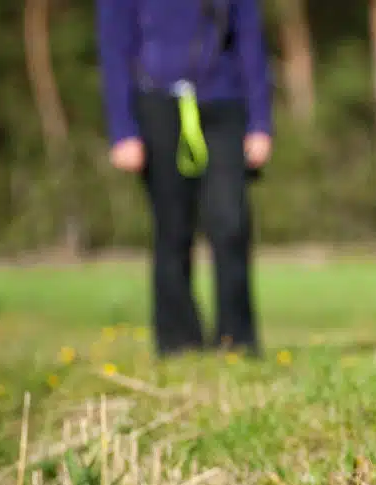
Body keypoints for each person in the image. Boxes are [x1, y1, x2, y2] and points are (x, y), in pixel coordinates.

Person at [96, 0, 273, 359]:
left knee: (231, 223)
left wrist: (260, 123)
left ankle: (237, 340)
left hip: (223, 103)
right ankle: (178, 343)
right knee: (172, 228)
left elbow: (251, 42)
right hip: (157, 104)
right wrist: (122, 129)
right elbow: (114, 47)